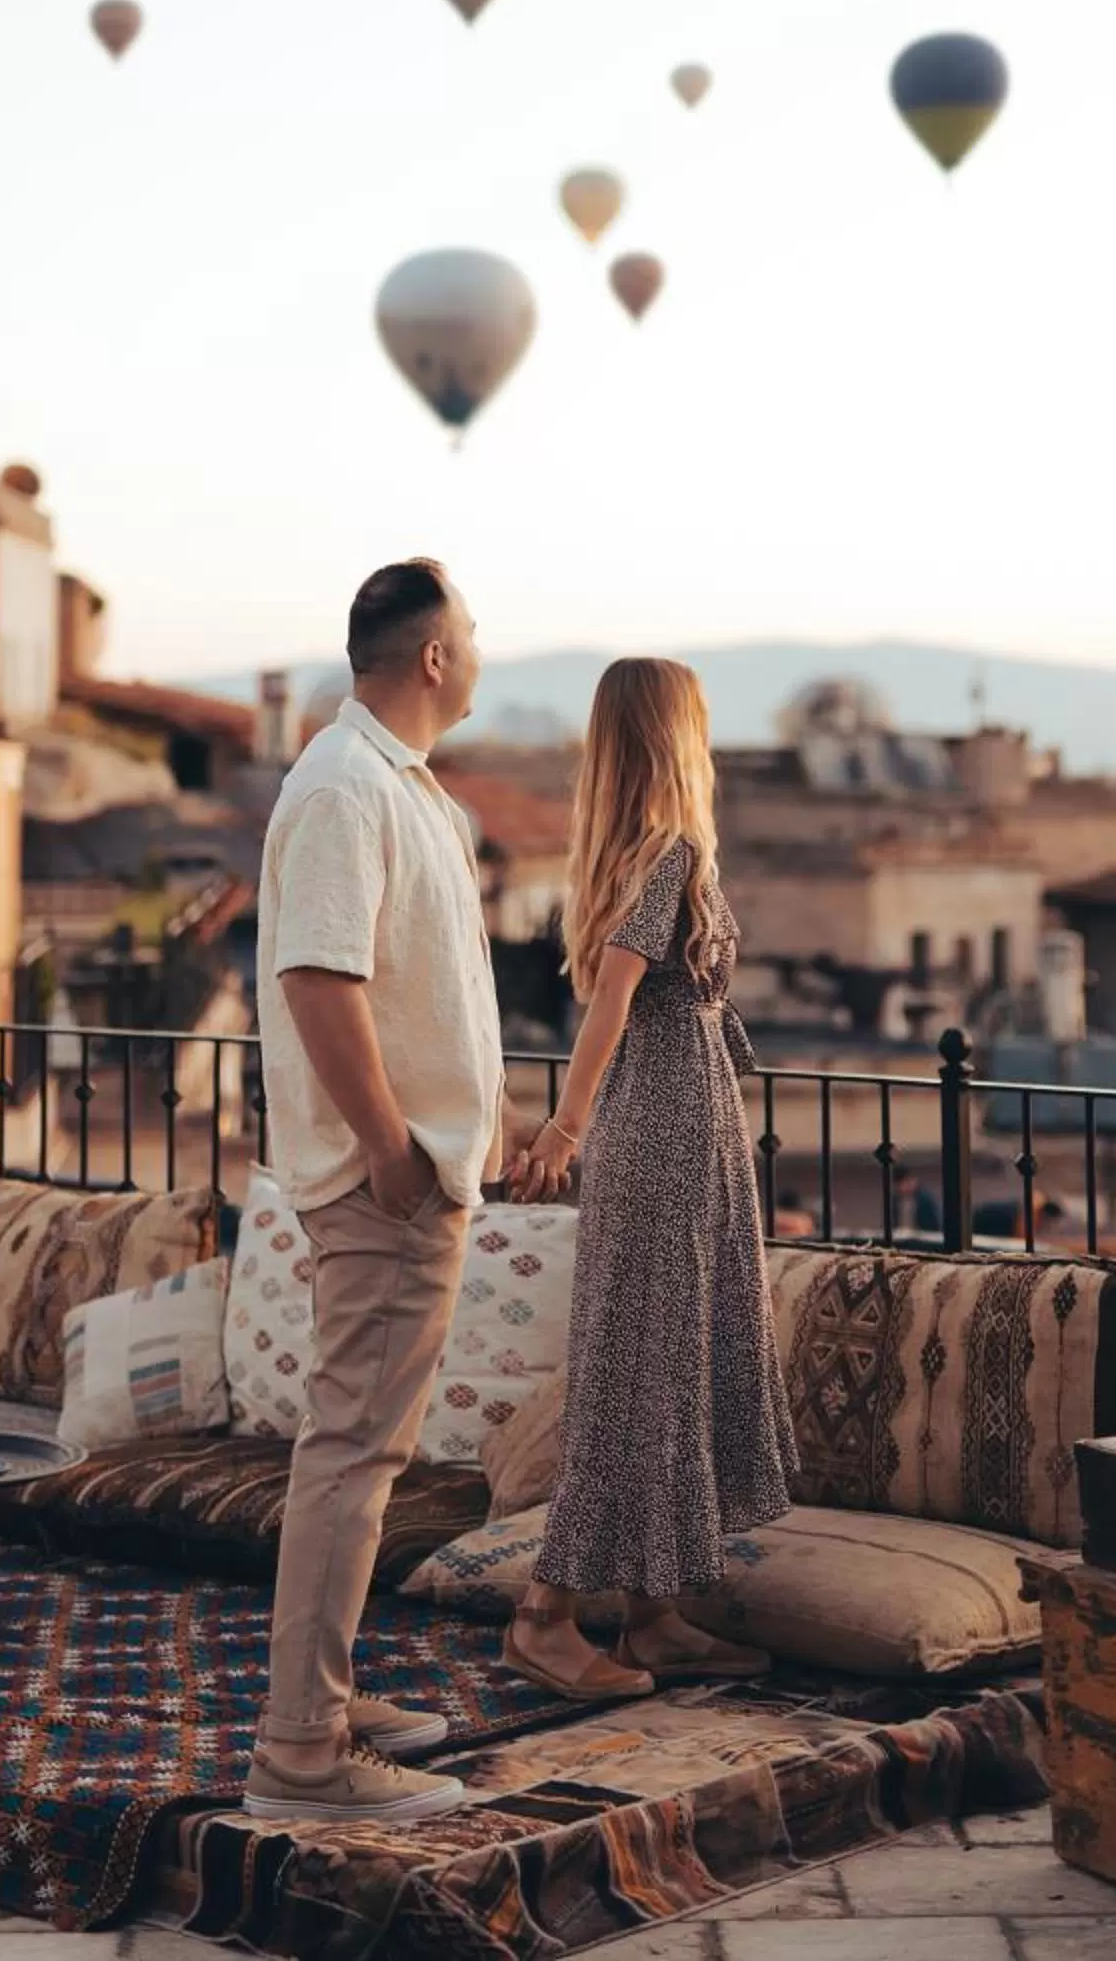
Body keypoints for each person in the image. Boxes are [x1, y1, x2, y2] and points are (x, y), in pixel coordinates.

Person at [243, 559, 505, 1827]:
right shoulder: (348, 787)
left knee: (363, 1451)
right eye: (471, 634)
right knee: (351, 1454)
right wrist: (393, 1149)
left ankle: (323, 1708)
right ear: (434, 657)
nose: (480, 652)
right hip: (385, 1180)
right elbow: (317, 978)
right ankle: (303, 1754)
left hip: (405, 1172)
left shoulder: (393, 788)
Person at [501, 658, 798, 1699]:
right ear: (678, 737)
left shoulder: (628, 857)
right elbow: (613, 1001)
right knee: (637, 1378)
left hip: (678, 1126)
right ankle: (544, 1614)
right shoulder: (667, 855)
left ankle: (653, 1615)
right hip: (663, 1133)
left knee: (661, 1367)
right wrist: (564, 1127)